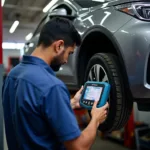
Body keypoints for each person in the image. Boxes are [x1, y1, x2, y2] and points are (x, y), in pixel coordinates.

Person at [2, 17, 109, 150]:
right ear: (59, 46)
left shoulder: (13, 75)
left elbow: (32, 113)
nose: (66, 60)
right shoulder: (52, 86)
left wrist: (70, 103)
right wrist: (96, 119)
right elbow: (79, 146)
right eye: (69, 53)